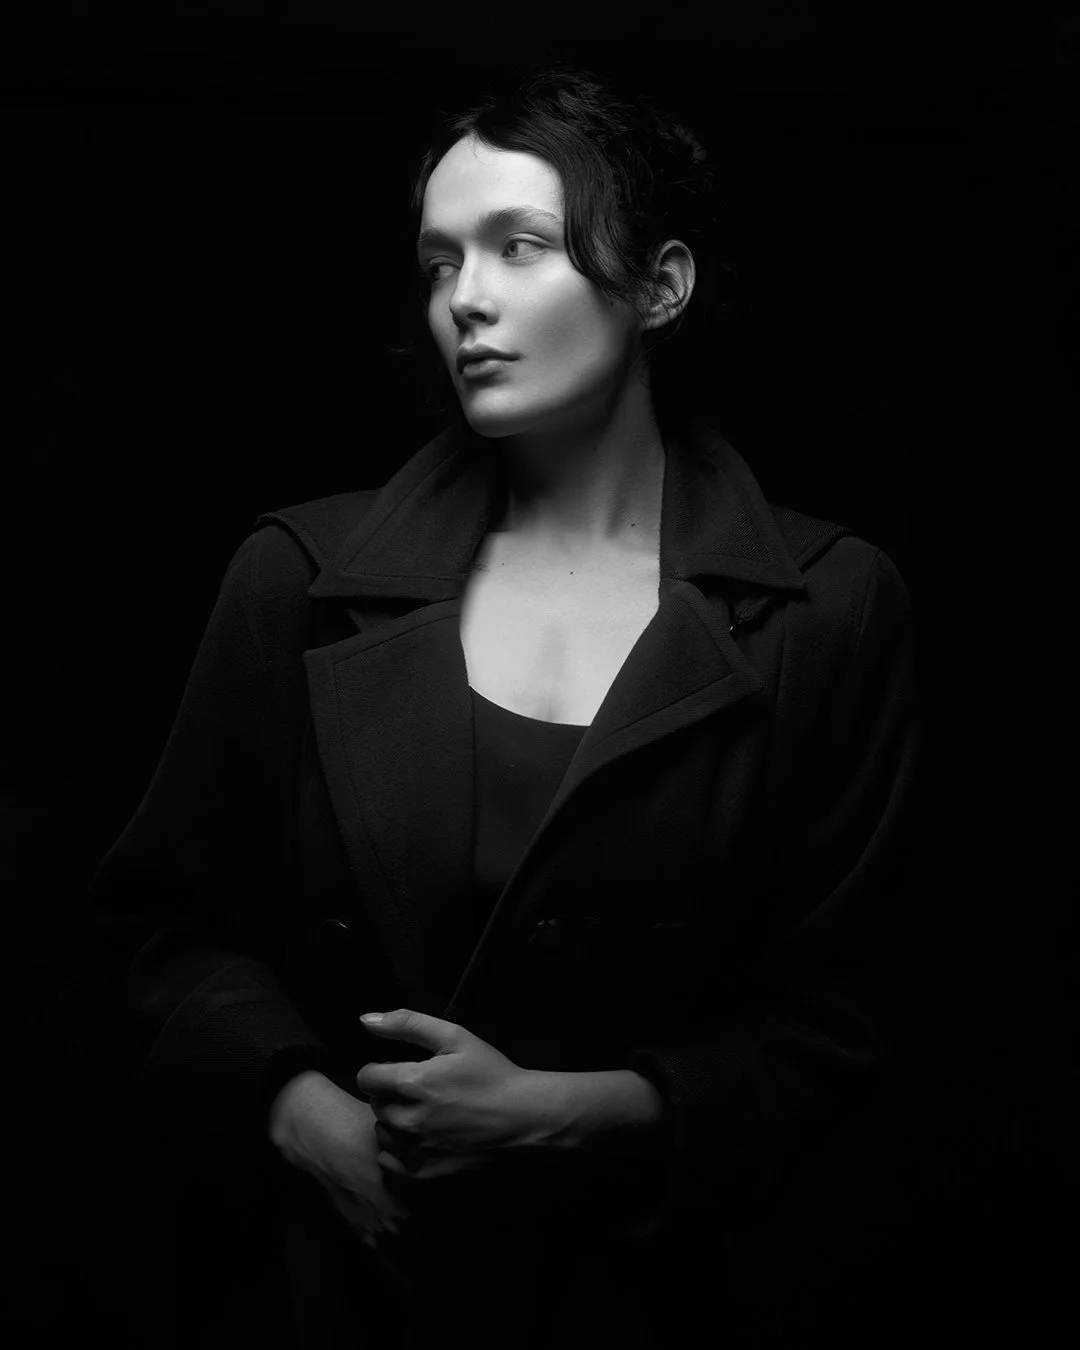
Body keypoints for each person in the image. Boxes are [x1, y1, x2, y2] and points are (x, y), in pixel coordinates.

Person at [90, 61, 923, 1349]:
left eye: (518, 246)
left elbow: (853, 1026)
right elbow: (162, 939)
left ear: (661, 286)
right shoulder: (302, 579)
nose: (466, 300)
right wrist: (318, 1129)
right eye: (437, 262)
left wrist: (566, 1115)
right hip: (344, 1302)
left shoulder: (832, 609)